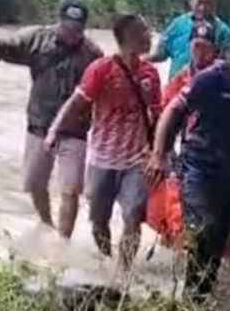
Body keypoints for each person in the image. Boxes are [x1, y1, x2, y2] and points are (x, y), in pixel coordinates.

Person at [144, 24, 230, 301]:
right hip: (199, 169)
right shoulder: (210, 78)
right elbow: (171, 113)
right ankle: (187, 294)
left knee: (218, 244)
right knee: (204, 229)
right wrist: (159, 155)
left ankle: (198, 299)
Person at [0, 0, 102, 239]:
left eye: (77, 29)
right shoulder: (38, 39)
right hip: (39, 124)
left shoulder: (92, 54)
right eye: (67, 27)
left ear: (83, 28)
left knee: (71, 188)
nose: (71, 34)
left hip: (75, 129)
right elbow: (11, 45)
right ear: (60, 22)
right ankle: (47, 225)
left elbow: (102, 86)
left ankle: (63, 242)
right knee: (34, 183)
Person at [46, 14, 161, 268]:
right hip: (102, 159)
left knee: (132, 215)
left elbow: (159, 115)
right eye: (144, 31)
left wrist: (159, 153)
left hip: (137, 159)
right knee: (99, 221)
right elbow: (76, 103)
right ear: (129, 37)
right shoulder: (101, 69)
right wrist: (55, 129)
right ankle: (106, 261)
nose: (149, 35)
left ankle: (123, 273)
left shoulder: (150, 74)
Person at [148, 0, 230, 78]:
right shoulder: (178, 24)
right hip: (176, 86)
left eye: (209, 4)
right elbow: (161, 53)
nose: (203, 8)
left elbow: (227, 64)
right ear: (191, 1)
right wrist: (141, 60)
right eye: (200, 2)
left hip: (208, 86)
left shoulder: (222, 31)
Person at [162, 20, 219, 107]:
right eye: (197, 46)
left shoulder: (221, 77)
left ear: (214, 50)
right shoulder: (179, 80)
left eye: (206, 47)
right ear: (189, 47)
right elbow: (164, 106)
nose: (200, 52)